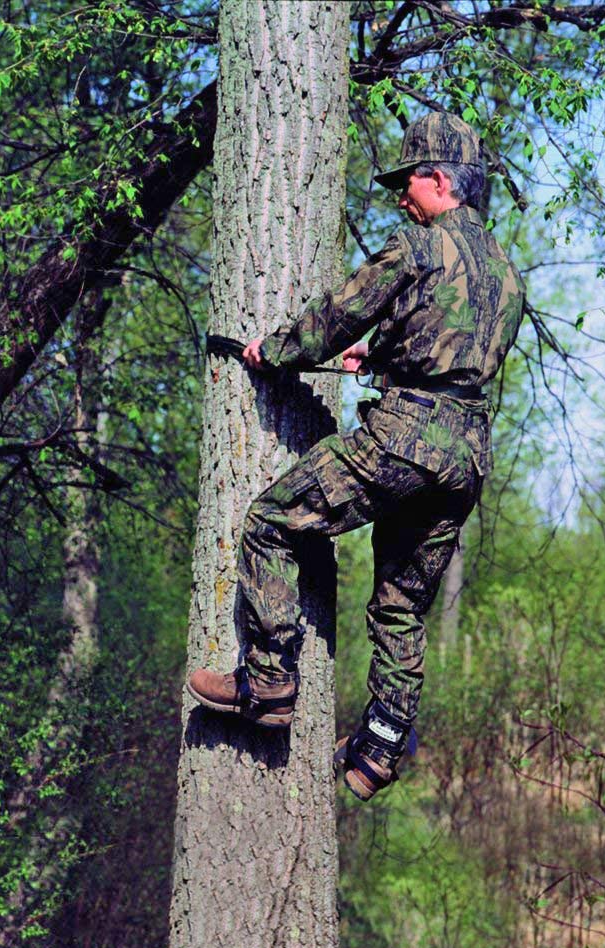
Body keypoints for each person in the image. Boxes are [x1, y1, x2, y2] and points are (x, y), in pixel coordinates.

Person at [187, 111, 525, 802]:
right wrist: (378, 358)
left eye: (408, 181)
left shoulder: (417, 247)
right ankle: (380, 745)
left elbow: (335, 315)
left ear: (439, 179)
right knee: (400, 605)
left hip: (404, 438)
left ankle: (269, 683)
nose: (400, 195)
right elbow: (451, 352)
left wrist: (274, 351)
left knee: (271, 521)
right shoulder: (505, 274)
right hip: (466, 457)